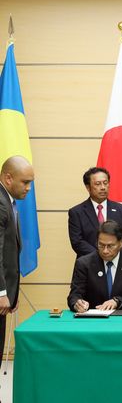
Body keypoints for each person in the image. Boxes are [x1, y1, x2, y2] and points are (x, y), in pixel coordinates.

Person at [67, 220, 122, 312]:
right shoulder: (84, 263)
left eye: (110, 246)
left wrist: (117, 302)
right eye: (101, 245)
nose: (105, 251)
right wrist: (77, 303)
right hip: (92, 321)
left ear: (121, 243)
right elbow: (74, 296)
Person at [0, 156, 34, 367]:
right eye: (25, 182)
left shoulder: (7, 201)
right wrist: (2, 292)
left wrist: (11, 291)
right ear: (8, 178)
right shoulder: (1, 204)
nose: (29, 188)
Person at [68, 167, 122, 258]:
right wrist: (101, 257)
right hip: (89, 265)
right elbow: (77, 242)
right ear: (88, 187)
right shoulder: (77, 212)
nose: (103, 187)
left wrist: (114, 257)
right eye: (98, 184)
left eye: (105, 183)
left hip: (117, 264)